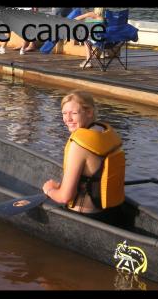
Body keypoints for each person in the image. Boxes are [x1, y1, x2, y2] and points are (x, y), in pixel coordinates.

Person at [42, 90, 125, 222]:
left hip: (84, 215)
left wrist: (49, 190)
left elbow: (65, 197)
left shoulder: (79, 145)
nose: (68, 119)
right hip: (108, 212)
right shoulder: (103, 132)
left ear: (89, 112)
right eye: (64, 113)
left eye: (74, 113)